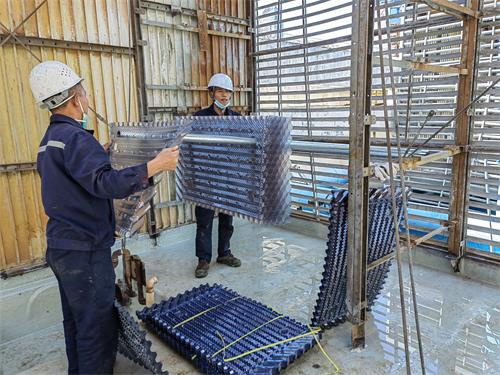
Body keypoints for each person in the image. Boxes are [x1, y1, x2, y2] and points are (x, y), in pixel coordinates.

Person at [29, 60, 179, 374]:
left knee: (76, 323)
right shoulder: (77, 140)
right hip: (84, 252)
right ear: (73, 98)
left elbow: (75, 183)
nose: (86, 100)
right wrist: (154, 166)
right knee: (97, 330)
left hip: (61, 248)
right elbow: (106, 184)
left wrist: (102, 154)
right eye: (83, 94)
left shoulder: (50, 141)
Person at [193, 73, 242, 278]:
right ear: (212, 93)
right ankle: (203, 260)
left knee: (226, 219)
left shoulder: (237, 119)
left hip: (228, 178)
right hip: (206, 178)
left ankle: (224, 253)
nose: (225, 95)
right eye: (221, 91)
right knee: (204, 219)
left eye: (228, 91)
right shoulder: (199, 118)